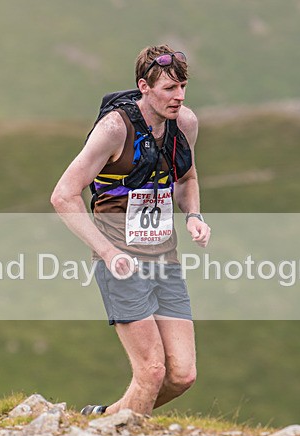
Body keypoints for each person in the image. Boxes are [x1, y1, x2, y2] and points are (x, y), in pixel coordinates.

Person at [50, 45, 211, 416]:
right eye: (169, 88)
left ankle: (103, 420)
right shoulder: (113, 130)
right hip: (120, 260)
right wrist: (107, 252)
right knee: (152, 371)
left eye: (183, 86)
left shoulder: (185, 125)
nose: (179, 96)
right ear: (144, 87)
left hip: (164, 258)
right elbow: (63, 195)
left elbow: (186, 177)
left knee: (182, 375)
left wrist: (194, 216)